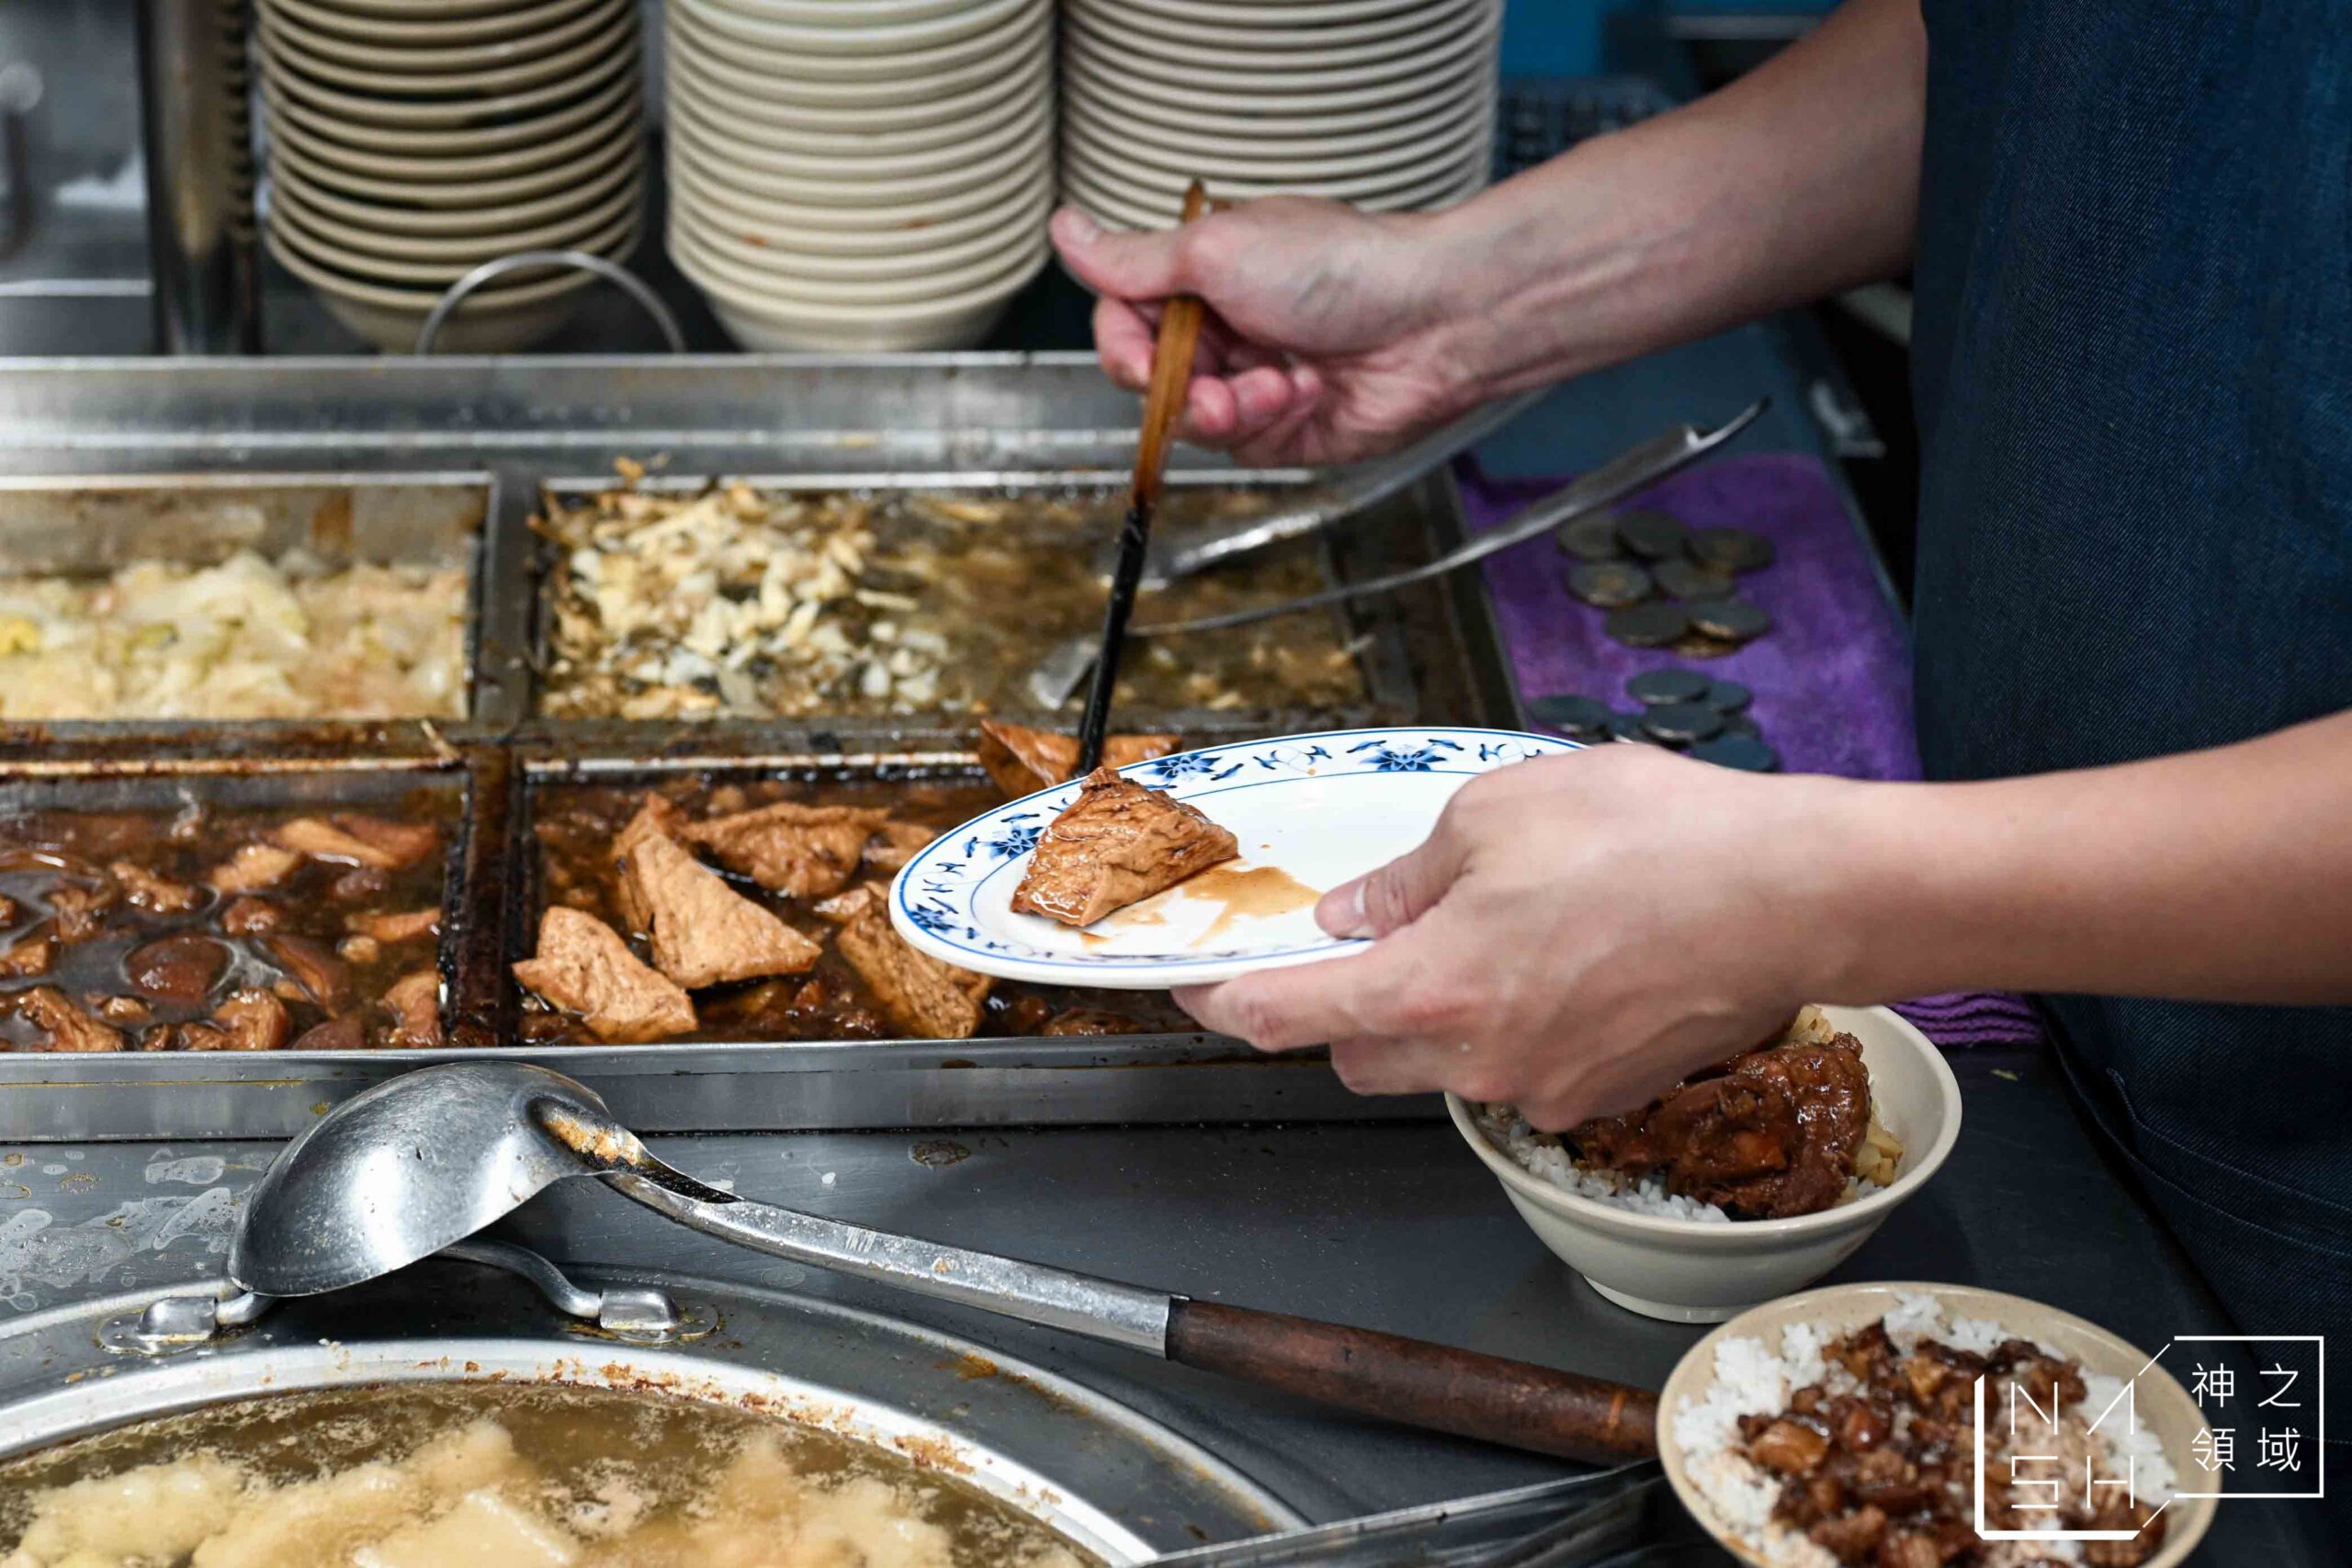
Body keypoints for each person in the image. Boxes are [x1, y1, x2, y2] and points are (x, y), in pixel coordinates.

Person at [1048, 0, 2350, 1410]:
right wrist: (1461, 302)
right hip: (2046, 968)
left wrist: (1815, 892)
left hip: (2297, 1143)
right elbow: (2034, 67)